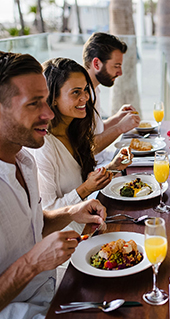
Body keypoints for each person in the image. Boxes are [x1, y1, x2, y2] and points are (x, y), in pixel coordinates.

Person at [0, 51, 107, 319]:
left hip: (52, 290)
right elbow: (31, 256)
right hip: (19, 317)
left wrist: (73, 211)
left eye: (46, 100)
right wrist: (33, 263)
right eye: (34, 104)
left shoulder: (23, 160)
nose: (48, 114)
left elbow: (33, 226)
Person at [30, 58, 130, 234]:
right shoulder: (43, 146)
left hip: (88, 226)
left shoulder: (74, 131)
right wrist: (86, 189)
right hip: (64, 242)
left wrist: (112, 168)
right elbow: (48, 211)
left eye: (85, 90)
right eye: (76, 92)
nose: (85, 97)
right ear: (53, 98)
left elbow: (79, 180)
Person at [83, 32, 141, 165]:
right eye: (116, 66)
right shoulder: (83, 96)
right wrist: (120, 127)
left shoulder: (94, 90)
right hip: (95, 169)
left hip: (104, 159)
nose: (120, 73)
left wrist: (117, 118)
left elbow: (93, 130)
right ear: (96, 64)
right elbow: (88, 147)